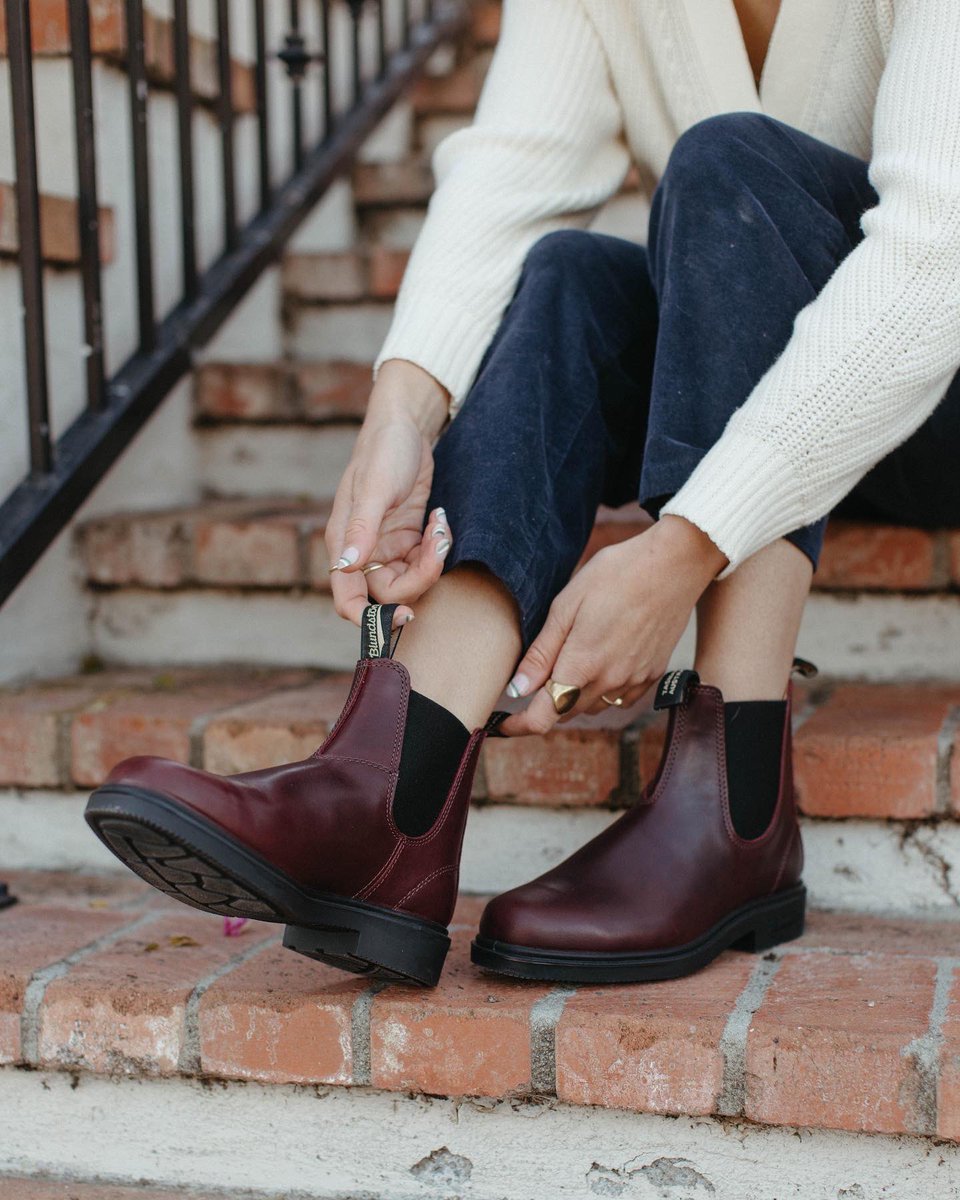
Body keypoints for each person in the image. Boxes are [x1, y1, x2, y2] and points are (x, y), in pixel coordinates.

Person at [86, 0, 960, 988]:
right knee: (567, 274)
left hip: (934, 389)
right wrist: (399, 416)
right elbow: (513, 171)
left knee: (730, 165)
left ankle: (738, 808)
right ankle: (393, 797)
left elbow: (935, 259)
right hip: (763, 378)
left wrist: (684, 547)